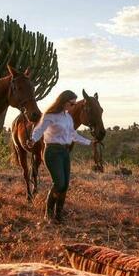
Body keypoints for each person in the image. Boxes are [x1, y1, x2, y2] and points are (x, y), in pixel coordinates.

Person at [27, 90, 96, 223]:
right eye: (72, 104)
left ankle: (59, 215)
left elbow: (73, 135)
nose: (73, 106)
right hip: (52, 152)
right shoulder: (50, 116)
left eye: (75, 104)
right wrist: (32, 140)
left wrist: (90, 143)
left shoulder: (68, 117)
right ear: (63, 102)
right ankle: (48, 214)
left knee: (65, 185)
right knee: (59, 183)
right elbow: (39, 130)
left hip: (64, 152)